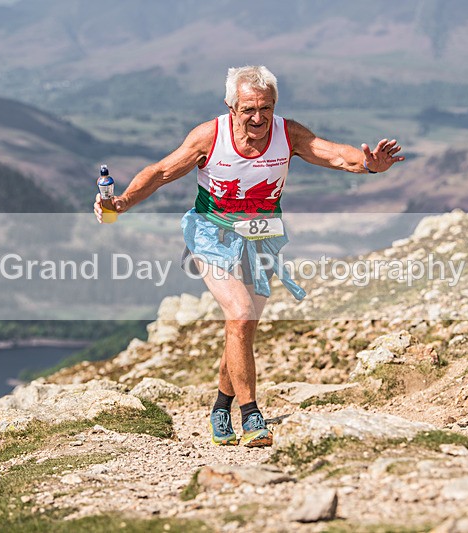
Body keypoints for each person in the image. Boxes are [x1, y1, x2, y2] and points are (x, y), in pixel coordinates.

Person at [94, 65, 403, 447]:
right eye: (248, 110)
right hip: (212, 236)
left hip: (262, 239)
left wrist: (370, 164)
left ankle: (220, 408)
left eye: (266, 109)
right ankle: (251, 415)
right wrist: (121, 202)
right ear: (231, 106)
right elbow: (160, 172)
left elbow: (335, 155)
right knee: (240, 314)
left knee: (242, 330)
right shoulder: (210, 136)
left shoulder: (287, 134)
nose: (258, 118)